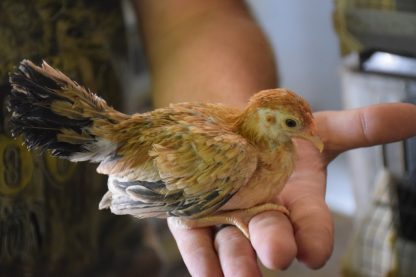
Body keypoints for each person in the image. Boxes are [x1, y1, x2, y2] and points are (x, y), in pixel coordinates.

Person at [135, 1, 416, 276]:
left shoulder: (259, 151)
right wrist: (230, 211)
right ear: (267, 121)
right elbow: (183, 211)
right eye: (292, 124)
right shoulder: (241, 159)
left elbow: (196, 16)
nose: (309, 135)